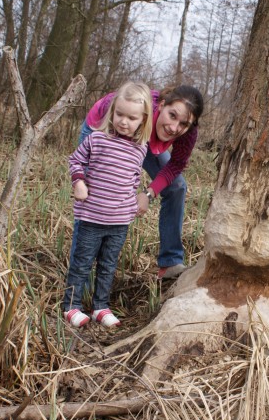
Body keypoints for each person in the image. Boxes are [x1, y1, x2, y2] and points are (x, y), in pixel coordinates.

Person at [73, 84, 204, 279]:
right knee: (96, 194)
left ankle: (171, 262)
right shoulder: (135, 109)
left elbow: (175, 165)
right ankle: (79, 273)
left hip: (145, 138)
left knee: (176, 186)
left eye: (183, 124)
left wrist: (149, 193)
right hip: (107, 130)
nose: (174, 128)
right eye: (172, 115)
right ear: (161, 105)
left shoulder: (188, 133)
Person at [62, 82, 153, 328]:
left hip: (119, 222)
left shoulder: (139, 149)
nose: (124, 121)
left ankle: (100, 306)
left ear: (143, 120)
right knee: (82, 263)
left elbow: (133, 179)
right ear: (112, 112)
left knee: (108, 265)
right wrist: (78, 182)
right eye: (120, 114)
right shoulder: (97, 139)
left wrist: (134, 201)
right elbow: (75, 160)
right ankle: (71, 305)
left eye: (132, 118)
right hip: (92, 216)